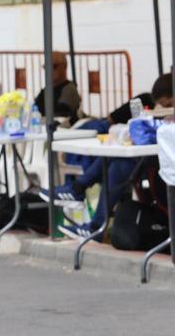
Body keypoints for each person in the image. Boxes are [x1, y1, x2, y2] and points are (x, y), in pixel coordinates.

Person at [42, 72, 174, 238]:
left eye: (167, 104)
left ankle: (80, 191)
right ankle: (95, 224)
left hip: (166, 162)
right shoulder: (151, 104)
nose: (163, 108)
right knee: (120, 163)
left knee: (121, 161)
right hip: (161, 158)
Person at [33, 50, 82, 121]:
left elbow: (61, 114)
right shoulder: (47, 89)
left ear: (64, 67)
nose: (49, 70)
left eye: (54, 66)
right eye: (46, 67)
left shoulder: (69, 89)